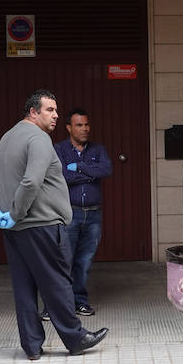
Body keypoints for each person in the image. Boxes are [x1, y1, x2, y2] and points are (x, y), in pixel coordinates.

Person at [0, 90, 109, 362]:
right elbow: (31, 182)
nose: (55, 115)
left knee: (24, 286)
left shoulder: (7, 138)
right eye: (49, 110)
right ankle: (75, 338)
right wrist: (16, 213)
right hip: (41, 224)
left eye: (55, 110)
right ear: (33, 112)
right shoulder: (39, 139)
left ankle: (31, 345)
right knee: (58, 283)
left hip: (14, 230)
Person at [53, 109, 112, 316]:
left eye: (86, 124)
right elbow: (62, 176)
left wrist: (77, 166)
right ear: (69, 127)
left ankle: (79, 301)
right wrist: (89, 172)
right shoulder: (59, 149)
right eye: (79, 125)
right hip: (70, 213)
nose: (85, 128)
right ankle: (59, 305)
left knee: (84, 261)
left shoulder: (98, 149)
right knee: (64, 260)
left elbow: (106, 170)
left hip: (94, 215)